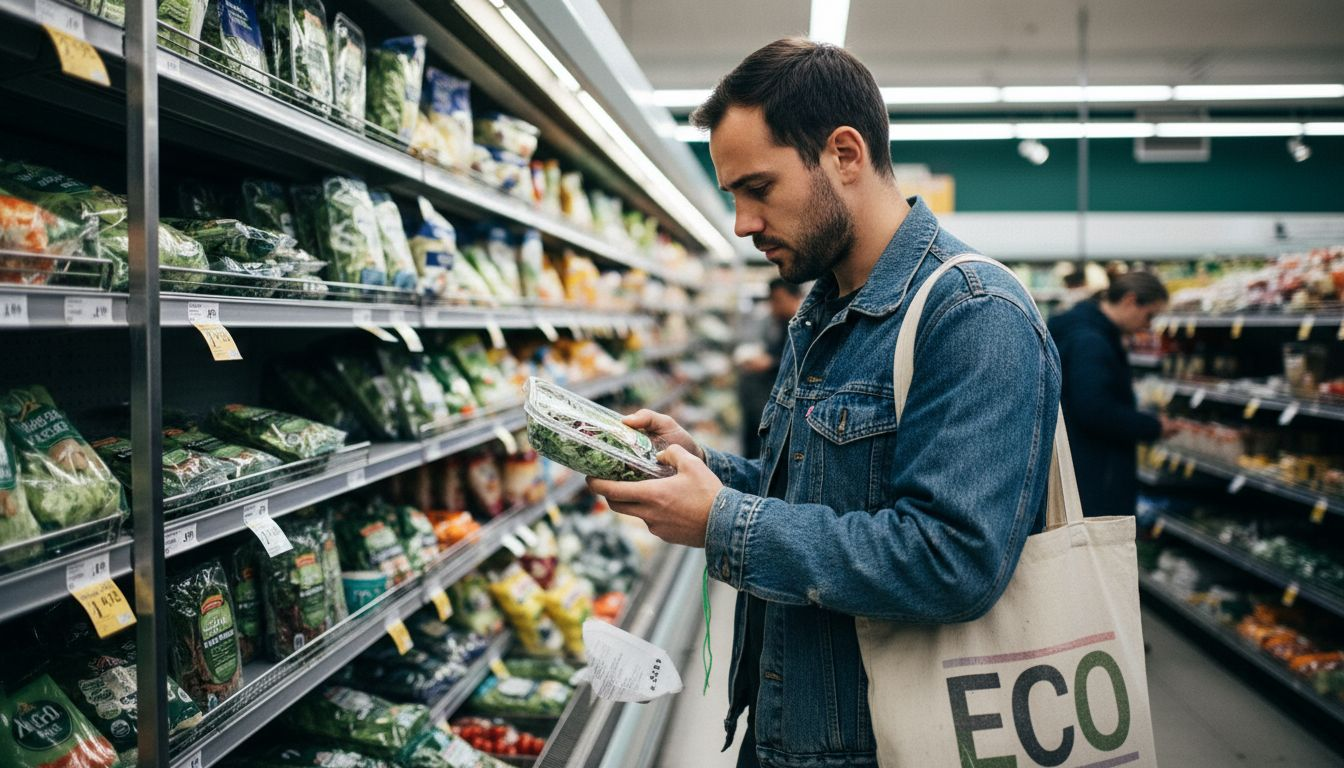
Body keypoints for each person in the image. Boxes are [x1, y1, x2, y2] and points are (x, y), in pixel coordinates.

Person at [586, 38, 1060, 768]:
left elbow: (951, 561)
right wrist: (699, 465)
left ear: (844, 154)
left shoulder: (972, 313)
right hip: (784, 729)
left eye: (759, 188)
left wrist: (722, 522)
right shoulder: (821, 312)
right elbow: (822, 493)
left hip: (891, 747)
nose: (742, 223)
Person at [1047, 272, 1175, 519]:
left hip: (1075, 464)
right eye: (1149, 315)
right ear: (1129, 300)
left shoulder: (1079, 329)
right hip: (1094, 471)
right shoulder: (1091, 341)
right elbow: (1096, 410)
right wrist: (1152, 426)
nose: (1148, 325)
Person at [737, 279, 804, 457]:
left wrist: (770, 363)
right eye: (771, 300)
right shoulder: (780, 323)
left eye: (778, 300)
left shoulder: (802, 326)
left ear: (795, 298)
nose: (773, 305)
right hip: (763, 396)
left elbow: (799, 362)